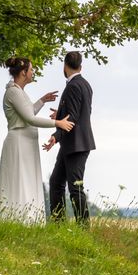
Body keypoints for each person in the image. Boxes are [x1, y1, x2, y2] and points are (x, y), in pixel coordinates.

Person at [0, 57, 74, 224]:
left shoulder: (19, 92)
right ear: (23, 72)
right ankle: (17, 220)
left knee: (28, 179)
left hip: (26, 143)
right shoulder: (13, 92)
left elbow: (28, 112)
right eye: (31, 70)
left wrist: (42, 101)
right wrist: (57, 122)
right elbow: (30, 119)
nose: (33, 73)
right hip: (18, 143)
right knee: (20, 179)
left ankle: (28, 220)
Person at [43, 51, 96, 225]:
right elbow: (81, 113)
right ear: (80, 66)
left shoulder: (73, 86)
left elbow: (72, 118)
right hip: (74, 144)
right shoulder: (85, 84)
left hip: (75, 144)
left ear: (65, 66)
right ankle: (58, 224)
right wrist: (61, 114)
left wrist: (55, 135)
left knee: (74, 188)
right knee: (57, 182)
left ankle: (84, 227)